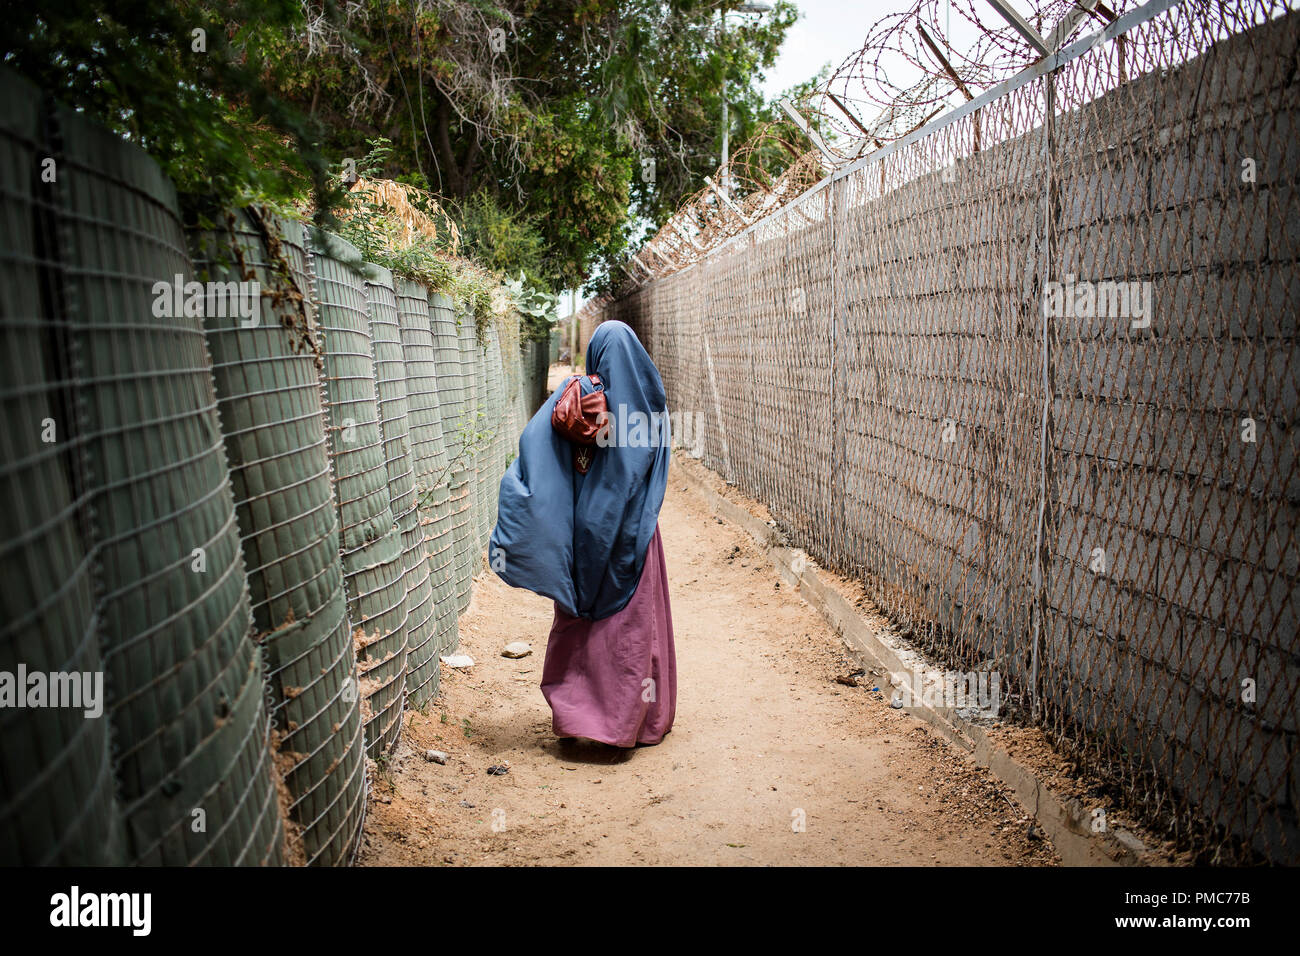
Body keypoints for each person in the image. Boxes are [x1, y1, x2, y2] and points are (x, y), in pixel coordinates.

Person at [490, 320, 676, 747]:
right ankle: (630, 723)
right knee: (631, 629)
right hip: (636, 534)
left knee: (580, 623)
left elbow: (534, 452)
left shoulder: (577, 397)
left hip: (583, 534)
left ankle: (577, 719)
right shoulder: (650, 406)